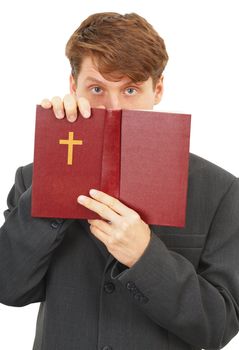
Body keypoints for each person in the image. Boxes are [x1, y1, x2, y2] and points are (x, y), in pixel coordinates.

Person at [0, 12, 239, 350]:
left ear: (157, 89)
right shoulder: (33, 178)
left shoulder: (221, 191)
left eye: (130, 89)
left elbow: (217, 327)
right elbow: (9, 288)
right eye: (97, 88)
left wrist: (145, 256)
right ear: (73, 87)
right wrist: (57, 173)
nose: (113, 107)